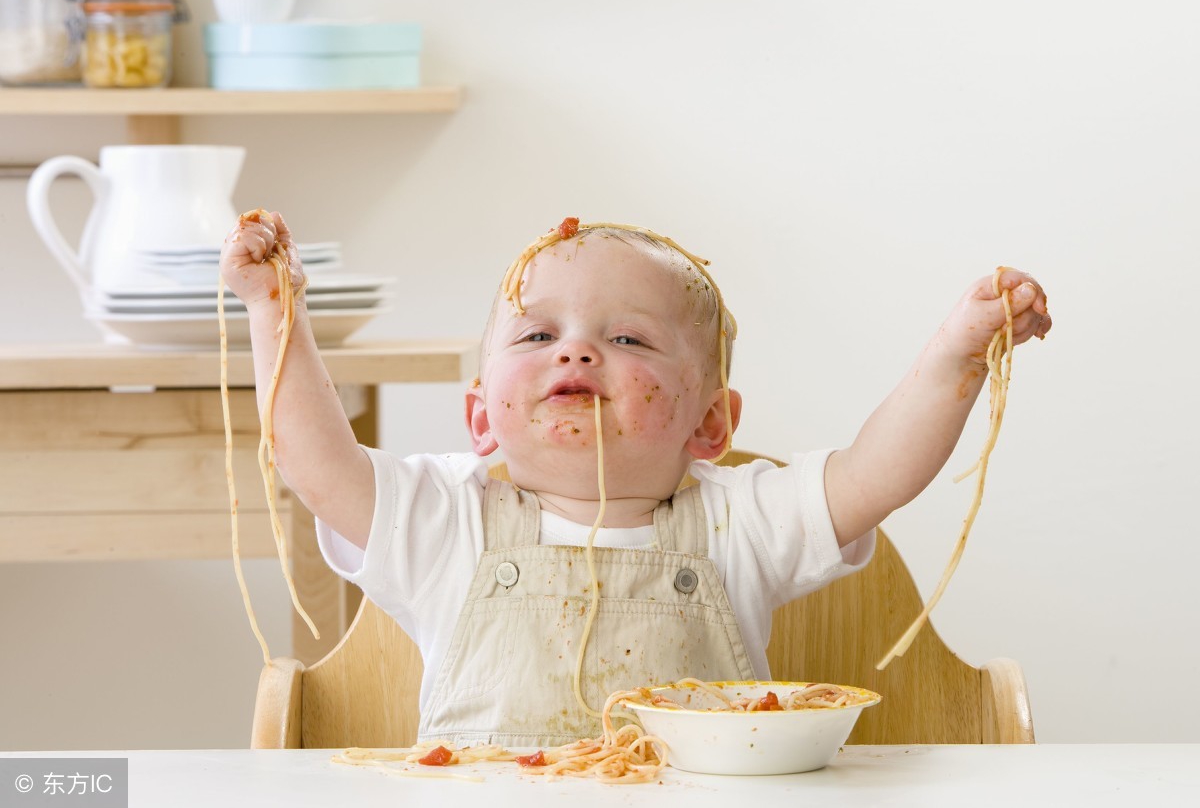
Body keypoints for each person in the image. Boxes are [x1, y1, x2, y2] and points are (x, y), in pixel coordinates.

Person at [220, 214, 1052, 748]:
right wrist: (276, 312)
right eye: (538, 332)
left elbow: (878, 473)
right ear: (481, 419)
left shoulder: (740, 521)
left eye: (629, 339)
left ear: (711, 426)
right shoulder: (449, 520)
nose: (575, 351)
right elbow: (315, 461)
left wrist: (958, 355)